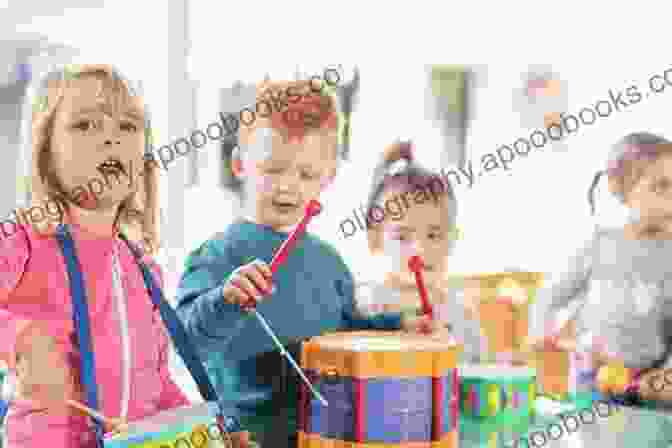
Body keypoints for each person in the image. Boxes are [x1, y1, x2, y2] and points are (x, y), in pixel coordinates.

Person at [175, 78, 438, 448]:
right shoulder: (215, 257)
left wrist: (400, 328)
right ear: (239, 164)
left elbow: (348, 333)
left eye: (305, 174)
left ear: (328, 177)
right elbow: (186, 343)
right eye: (273, 169)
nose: (287, 186)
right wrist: (224, 300)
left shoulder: (330, 264)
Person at [0, 65, 246, 447]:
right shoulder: (24, 238)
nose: (110, 140)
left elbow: (157, 389)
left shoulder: (141, 266)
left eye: (128, 127)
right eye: (85, 125)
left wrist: (209, 435)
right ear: (46, 152)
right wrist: (18, 338)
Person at [527, 131, 672, 406]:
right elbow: (550, 296)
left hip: (650, 385)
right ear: (622, 189)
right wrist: (541, 336)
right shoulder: (600, 244)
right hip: (592, 378)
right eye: (661, 186)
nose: (671, 197)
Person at [352, 140, 486, 363]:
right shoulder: (365, 307)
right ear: (374, 238)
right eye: (402, 237)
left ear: (452, 239)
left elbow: (475, 379)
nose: (419, 249)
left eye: (433, 235)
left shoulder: (461, 314)